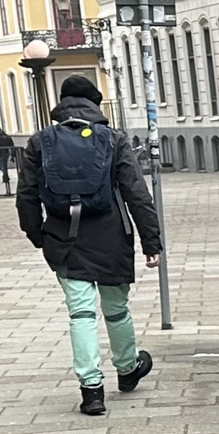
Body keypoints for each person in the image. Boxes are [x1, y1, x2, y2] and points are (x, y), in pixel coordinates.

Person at [15, 74, 162, 416]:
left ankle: (91, 390)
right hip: (111, 236)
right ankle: (127, 369)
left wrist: (38, 234)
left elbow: (26, 196)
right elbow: (136, 193)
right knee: (116, 309)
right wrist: (150, 241)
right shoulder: (113, 140)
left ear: (61, 106)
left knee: (80, 312)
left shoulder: (39, 142)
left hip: (64, 238)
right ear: (95, 105)